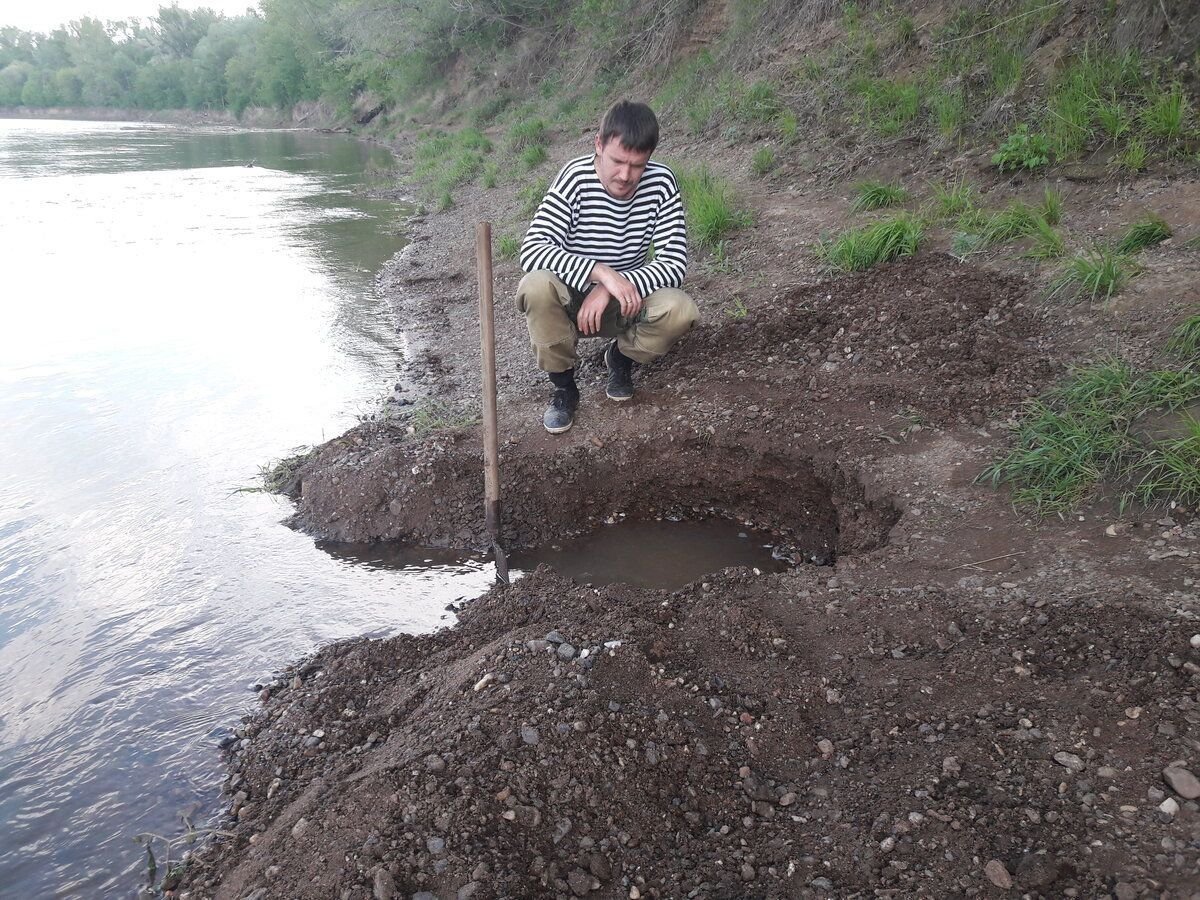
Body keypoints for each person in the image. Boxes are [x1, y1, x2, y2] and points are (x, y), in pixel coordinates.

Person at [516, 100, 698, 433]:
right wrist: (600, 272)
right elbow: (532, 250)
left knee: (680, 309)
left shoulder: (661, 183)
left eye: (637, 165)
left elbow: (674, 264)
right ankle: (564, 388)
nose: (626, 176)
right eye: (617, 161)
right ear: (598, 144)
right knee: (535, 286)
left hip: (626, 303)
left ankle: (620, 358)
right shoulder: (575, 178)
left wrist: (612, 286)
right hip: (572, 304)